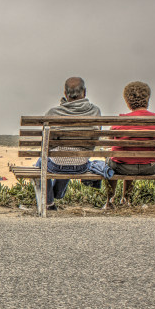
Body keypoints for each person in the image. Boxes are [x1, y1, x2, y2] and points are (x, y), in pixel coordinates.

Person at [33, 76, 102, 210]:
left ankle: (49, 203)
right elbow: (94, 141)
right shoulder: (95, 112)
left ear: (65, 94)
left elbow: (46, 146)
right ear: (85, 92)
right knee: (69, 156)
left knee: (42, 162)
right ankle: (58, 194)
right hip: (82, 165)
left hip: (57, 166)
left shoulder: (53, 113)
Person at [104, 81, 155, 209]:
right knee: (130, 158)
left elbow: (109, 138)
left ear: (127, 101)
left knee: (112, 162)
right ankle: (126, 199)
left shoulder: (121, 120)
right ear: (147, 99)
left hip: (123, 167)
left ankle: (109, 201)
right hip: (149, 167)